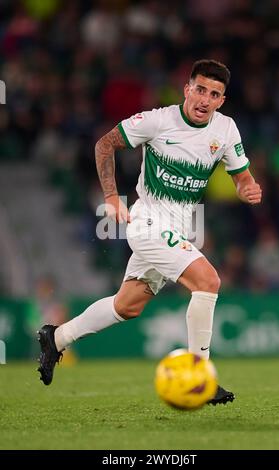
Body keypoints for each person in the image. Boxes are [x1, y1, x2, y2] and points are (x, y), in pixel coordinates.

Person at [37, 59, 262, 404]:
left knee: (127, 306)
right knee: (209, 281)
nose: (204, 99)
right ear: (187, 90)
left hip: (181, 229)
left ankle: (57, 338)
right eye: (200, 89)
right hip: (147, 225)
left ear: (221, 101)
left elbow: (241, 176)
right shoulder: (157, 121)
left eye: (214, 94)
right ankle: (199, 377)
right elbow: (104, 144)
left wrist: (247, 187)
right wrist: (111, 197)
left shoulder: (226, 130)